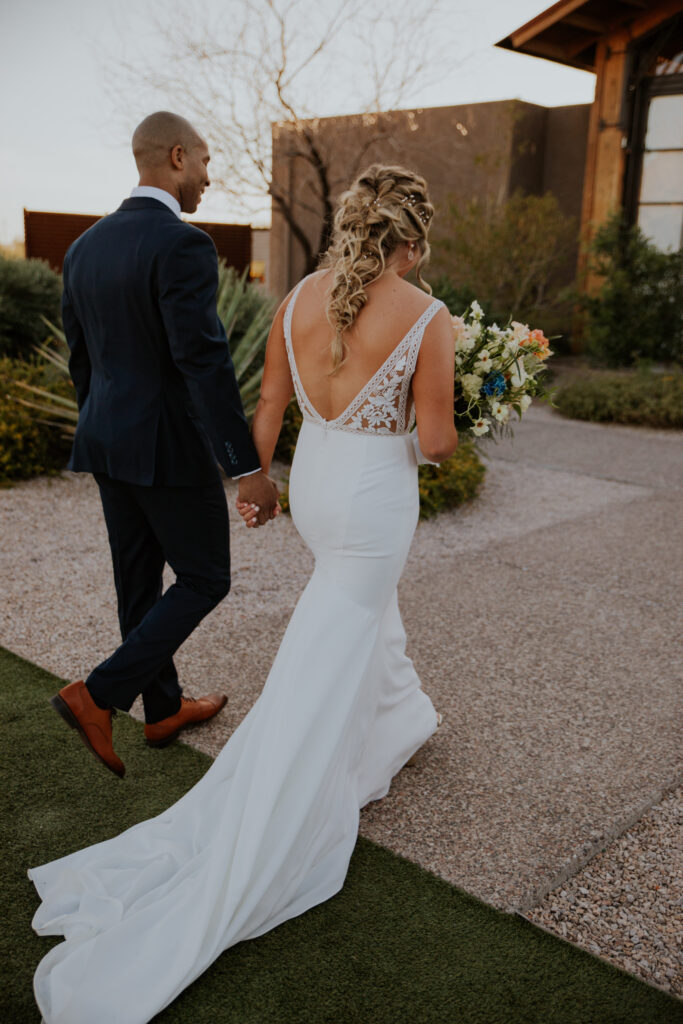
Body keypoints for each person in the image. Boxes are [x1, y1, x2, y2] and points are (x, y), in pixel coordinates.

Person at [28, 163, 458, 1024]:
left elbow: (265, 402)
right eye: (419, 246)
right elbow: (438, 443)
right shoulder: (429, 316)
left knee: (355, 613)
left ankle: (398, 720)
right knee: (332, 634)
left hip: (320, 490)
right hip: (372, 498)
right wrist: (443, 408)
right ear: (406, 240)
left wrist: (254, 480)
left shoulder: (301, 294)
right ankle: (275, 808)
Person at [47, 111, 280, 779]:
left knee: (138, 585)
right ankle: (98, 695)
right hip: (167, 449)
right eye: (205, 163)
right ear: (178, 156)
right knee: (206, 577)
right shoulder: (183, 243)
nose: (208, 179)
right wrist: (247, 468)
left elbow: (81, 359)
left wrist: (103, 422)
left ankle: (164, 709)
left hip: (106, 442)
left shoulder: (86, 246)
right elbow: (202, 363)